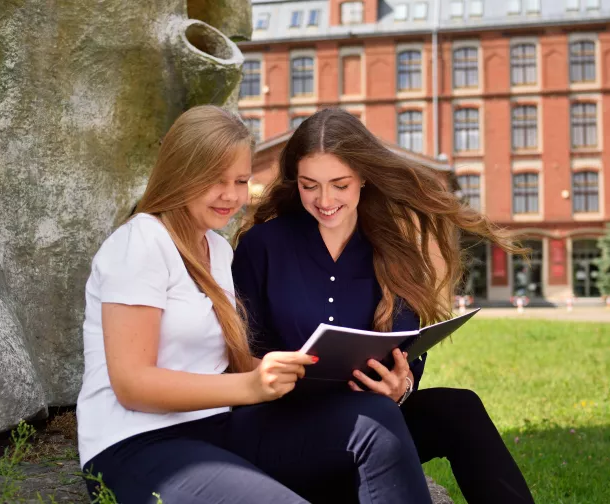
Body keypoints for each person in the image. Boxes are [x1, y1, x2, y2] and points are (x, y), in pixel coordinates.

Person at [76, 105, 433, 504]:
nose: (231, 195)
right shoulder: (141, 242)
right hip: (135, 442)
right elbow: (132, 386)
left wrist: (287, 368)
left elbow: (225, 361)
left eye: (241, 180)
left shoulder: (215, 249)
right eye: (215, 180)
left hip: (216, 428)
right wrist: (249, 384)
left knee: (377, 421)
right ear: (181, 173)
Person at [233, 108, 536, 503]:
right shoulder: (262, 246)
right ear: (296, 182)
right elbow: (237, 350)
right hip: (287, 430)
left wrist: (402, 386)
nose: (325, 200)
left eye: (339, 185)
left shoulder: (392, 247)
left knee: (459, 407)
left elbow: (408, 344)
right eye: (310, 186)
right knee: (376, 419)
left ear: (363, 176)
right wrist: (269, 370)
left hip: (377, 417)